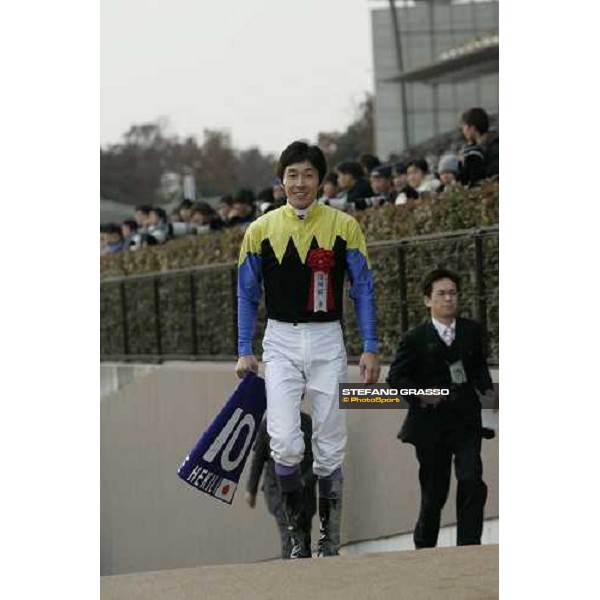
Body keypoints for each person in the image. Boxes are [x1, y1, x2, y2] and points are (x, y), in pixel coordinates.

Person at [236, 141, 380, 559]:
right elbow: (246, 294)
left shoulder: (345, 225)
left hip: (327, 339)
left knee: (331, 440)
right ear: (281, 181)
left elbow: (363, 290)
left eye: (308, 175)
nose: (300, 183)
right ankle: (298, 535)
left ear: (321, 180)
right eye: (292, 175)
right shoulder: (260, 230)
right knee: (284, 441)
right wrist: (245, 349)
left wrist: (370, 346)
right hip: (279, 340)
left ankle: (328, 540)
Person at [386, 268, 494, 549]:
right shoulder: (415, 338)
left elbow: (479, 368)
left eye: (452, 293)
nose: (448, 299)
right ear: (427, 300)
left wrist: (489, 391)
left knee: (471, 479)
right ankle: (424, 548)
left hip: (466, 421)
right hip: (430, 426)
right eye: (441, 294)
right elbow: (396, 378)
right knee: (435, 492)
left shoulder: (472, 331)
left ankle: (469, 546)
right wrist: (420, 395)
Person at [245, 411, 316, 560]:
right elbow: (258, 458)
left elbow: (317, 457)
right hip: (277, 490)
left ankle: (304, 572)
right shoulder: (269, 424)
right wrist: (251, 490)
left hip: (304, 491)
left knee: (303, 534)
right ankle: (291, 572)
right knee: (289, 532)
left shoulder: (307, 423)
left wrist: (307, 480)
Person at [459, 107, 499, 185]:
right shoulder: (477, 149)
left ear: (472, 128)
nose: (463, 131)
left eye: (464, 127)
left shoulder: (495, 149)